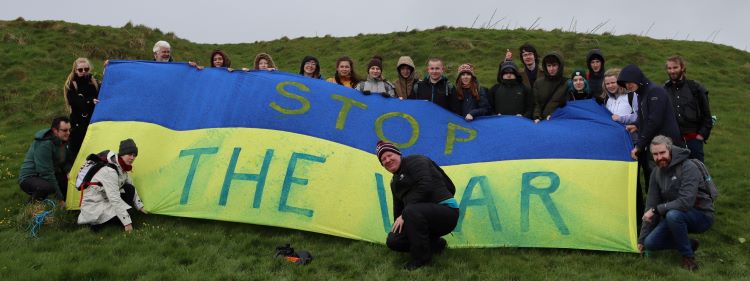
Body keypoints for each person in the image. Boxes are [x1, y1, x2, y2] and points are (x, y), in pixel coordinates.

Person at [376, 140, 458, 270]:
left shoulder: (416, 160)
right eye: (383, 159)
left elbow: (426, 186)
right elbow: (398, 209)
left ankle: (421, 259)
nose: (387, 160)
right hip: (418, 216)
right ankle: (435, 244)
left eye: (389, 155)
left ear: (398, 154)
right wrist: (396, 230)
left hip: (446, 212)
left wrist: (405, 213)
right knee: (393, 241)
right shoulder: (394, 183)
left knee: (410, 211)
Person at [638, 135, 714, 271]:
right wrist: (641, 240)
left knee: (673, 215)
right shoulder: (656, 173)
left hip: (701, 216)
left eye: (662, 153)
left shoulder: (688, 167)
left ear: (670, 150)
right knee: (651, 242)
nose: (659, 157)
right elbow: (650, 205)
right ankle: (689, 244)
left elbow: (686, 202)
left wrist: (656, 210)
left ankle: (688, 258)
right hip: (674, 215)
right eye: (655, 154)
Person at [618, 64, 684, 192]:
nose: (628, 86)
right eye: (625, 84)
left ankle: (668, 210)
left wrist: (639, 145)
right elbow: (645, 116)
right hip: (657, 144)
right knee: (658, 182)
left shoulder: (654, 91)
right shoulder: (641, 93)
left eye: (629, 82)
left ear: (637, 78)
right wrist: (636, 125)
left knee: (669, 183)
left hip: (668, 145)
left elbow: (654, 121)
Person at [78, 139, 146, 233]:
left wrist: (140, 207)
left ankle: (113, 220)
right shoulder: (110, 171)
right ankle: (95, 225)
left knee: (129, 189)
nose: (132, 158)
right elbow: (114, 198)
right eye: (129, 154)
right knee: (129, 215)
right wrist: (127, 223)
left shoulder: (121, 167)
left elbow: (131, 186)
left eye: (134, 155)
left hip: (105, 200)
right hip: (94, 206)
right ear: (122, 154)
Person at [663, 56, 713, 163]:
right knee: (675, 174)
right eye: (669, 68)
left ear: (682, 67)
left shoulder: (696, 88)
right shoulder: (664, 90)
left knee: (697, 172)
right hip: (672, 141)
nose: (672, 71)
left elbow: (707, 115)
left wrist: (701, 136)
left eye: (675, 67)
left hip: (693, 140)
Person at [18, 117, 74, 205]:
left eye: (69, 130)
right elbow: (46, 173)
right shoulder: (45, 144)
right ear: (55, 130)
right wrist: (60, 199)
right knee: (47, 188)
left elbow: (66, 161)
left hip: (46, 174)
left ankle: (69, 208)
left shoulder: (63, 141)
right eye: (65, 130)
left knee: (70, 182)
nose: (68, 133)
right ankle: (29, 208)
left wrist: (68, 172)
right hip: (29, 178)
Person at [63, 58, 100, 155]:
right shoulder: (71, 84)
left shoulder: (94, 81)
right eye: (80, 70)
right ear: (75, 70)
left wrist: (107, 68)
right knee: (78, 151)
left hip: (93, 121)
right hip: (78, 124)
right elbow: (73, 101)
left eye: (86, 69)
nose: (83, 72)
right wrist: (89, 101)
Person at [532, 52, 568, 123]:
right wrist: (537, 116)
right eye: (549, 65)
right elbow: (536, 104)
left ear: (560, 66)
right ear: (545, 67)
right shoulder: (538, 83)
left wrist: (555, 115)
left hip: (560, 120)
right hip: (541, 121)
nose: (551, 69)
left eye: (554, 65)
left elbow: (568, 105)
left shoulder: (567, 83)